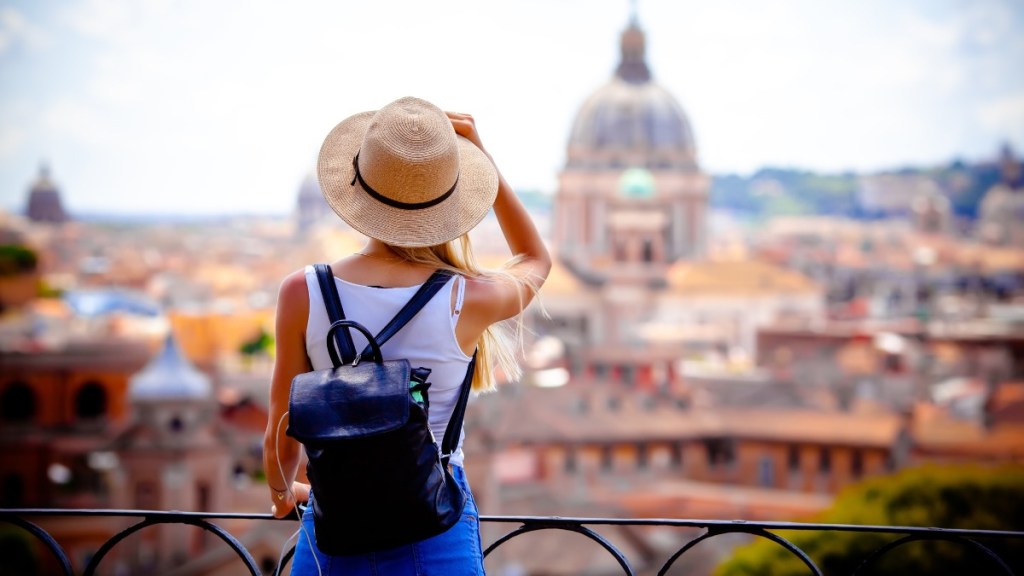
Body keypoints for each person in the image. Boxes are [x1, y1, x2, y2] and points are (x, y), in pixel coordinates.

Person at [262, 96, 551, 575]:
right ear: (453, 198)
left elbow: (281, 428)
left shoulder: (303, 291)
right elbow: (535, 261)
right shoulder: (467, 297)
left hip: (334, 532)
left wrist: (279, 495)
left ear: (360, 188)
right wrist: (487, 166)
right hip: (436, 529)